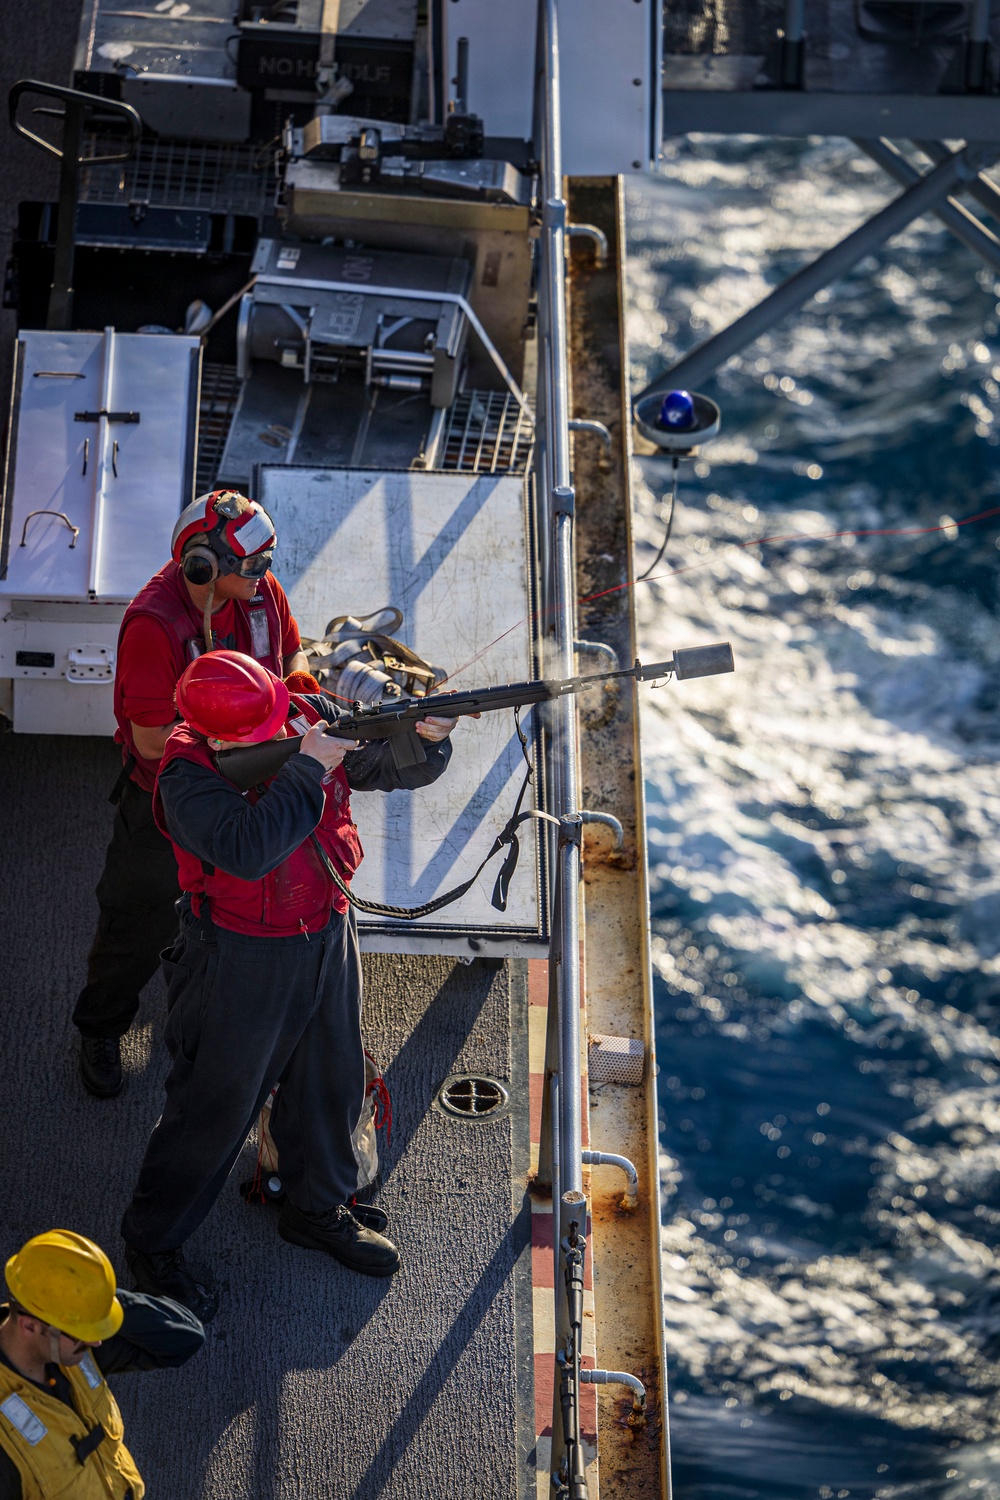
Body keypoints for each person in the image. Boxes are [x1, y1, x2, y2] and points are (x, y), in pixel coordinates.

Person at [120, 650, 459, 1318]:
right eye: (266, 730)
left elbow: (378, 766)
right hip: (239, 957)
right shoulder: (186, 777)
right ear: (217, 738)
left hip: (325, 930)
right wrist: (306, 766)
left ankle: (316, 1206)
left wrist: (425, 739)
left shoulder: (301, 711)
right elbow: (249, 849)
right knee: (214, 1107)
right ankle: (152, 1244)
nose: (285, 728)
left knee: (332, 1078)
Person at [73, 490, 310, 1101]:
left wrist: (303, 695)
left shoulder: (260, 592)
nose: (265, 574)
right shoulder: (154, 624)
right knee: (136, 922)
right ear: (203, 566)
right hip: (167, 804)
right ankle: (100, 1028)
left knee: (236, 918)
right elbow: (151, 741)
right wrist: (242, 731)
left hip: (250, 788)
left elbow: (292, 653)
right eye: (253, 565)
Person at [0, 1230, 204, 1499]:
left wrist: (96, 1299)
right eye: (83, 1332)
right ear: (30, 1326)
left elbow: (186, 1339)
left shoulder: (69, 1343)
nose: (96, 1341)